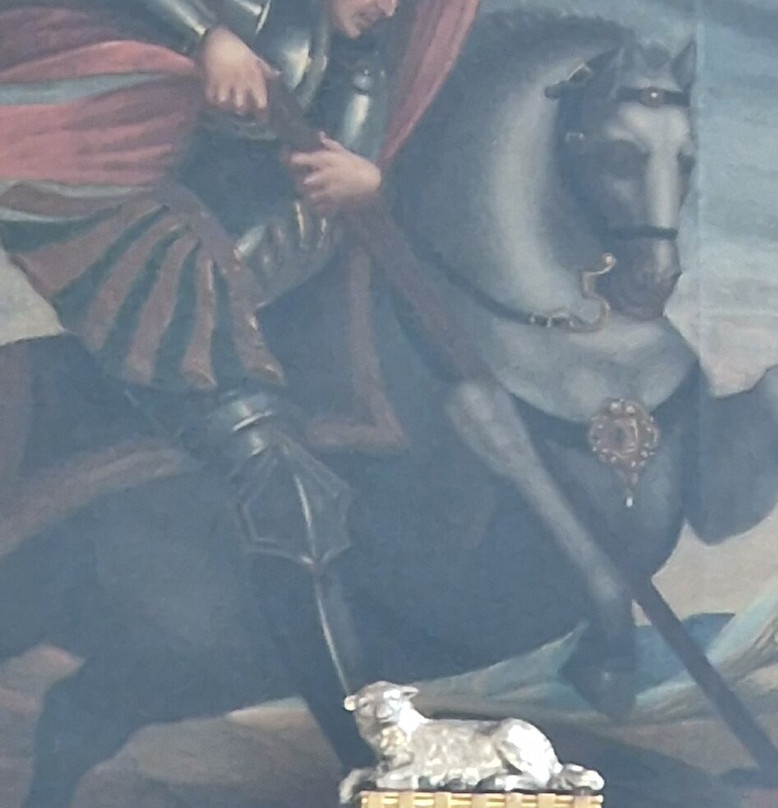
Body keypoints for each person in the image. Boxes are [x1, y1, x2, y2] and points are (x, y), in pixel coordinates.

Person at [0, 0, 478, 765]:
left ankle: (368, 755)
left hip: (212, 261)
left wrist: (359, 179)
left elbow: (318, 188)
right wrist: (205, 36)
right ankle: (367, 758)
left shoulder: (355, 58)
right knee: (286, 493)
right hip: (110, 218)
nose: (388, 6)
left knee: (300, 499)